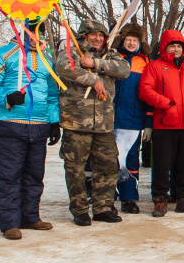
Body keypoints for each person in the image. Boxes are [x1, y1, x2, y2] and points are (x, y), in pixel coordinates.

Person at [0, 19, 60, 240]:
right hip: (10, 125)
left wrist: (54, 121)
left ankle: (30, 217)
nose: (36, 37)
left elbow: (53, 94)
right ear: (21, 32)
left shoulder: (47, 59)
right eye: (31, 32)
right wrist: (6, 98)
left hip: (39, 126)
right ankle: (9, 223)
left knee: (35, 175)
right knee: (9, 176)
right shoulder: (3, 54)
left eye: (39, 33)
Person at [54, 20, 131, 226]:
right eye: (93, 34)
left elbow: (124, 70)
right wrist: (93, 80)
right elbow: (64, 68)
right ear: (84, 35)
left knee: (107, 167)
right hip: (76, 122)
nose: (98, 38)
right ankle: (79, 209)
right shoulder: (71, 50)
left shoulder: (109, 54)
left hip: (104, 123)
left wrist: (95, 64)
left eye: (101, 35)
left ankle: (103, 208)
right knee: (75, 168)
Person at [138, 29, 184, 217]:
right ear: (165, 47)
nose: (176, 49)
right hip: (165, 123)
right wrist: (166, 103)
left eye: (179, 45)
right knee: (162, 164)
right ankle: (160, 200)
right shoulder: (154, 66)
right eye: (172, 45)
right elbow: (145, 90)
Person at [111, 23, 152, 214]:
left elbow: (149, 92)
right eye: (128, 39)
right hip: (109, 118)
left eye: (134, 40)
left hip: (133, 119)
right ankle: (106, 196)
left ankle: (129, 198)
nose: (131, 43)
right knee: (108, 159)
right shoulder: (112, 58)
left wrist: (149, 123)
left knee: (130, 159)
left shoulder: (145, 63)